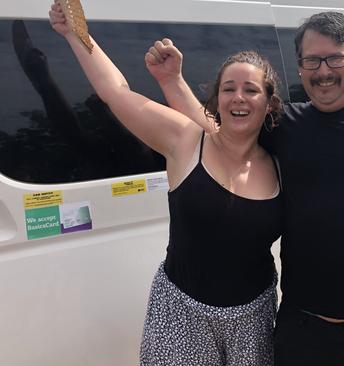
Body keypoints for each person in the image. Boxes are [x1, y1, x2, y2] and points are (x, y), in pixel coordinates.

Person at [147, 11, 344, 366]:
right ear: (300, 67)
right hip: (306, 329)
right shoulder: (287, 125)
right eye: (312, 60)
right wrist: (173, 82)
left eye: (334, 58)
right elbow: (218, 127)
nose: (323, 71)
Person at [49, 3, 284, 365]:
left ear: (269, 103)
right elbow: (117, 92)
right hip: (180, 314)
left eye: (251, 90)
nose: (238, 97)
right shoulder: (185, 141)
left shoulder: (281, 163)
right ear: (216, 100)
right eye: (228, 89)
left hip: (253, 320)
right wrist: (75, 33)